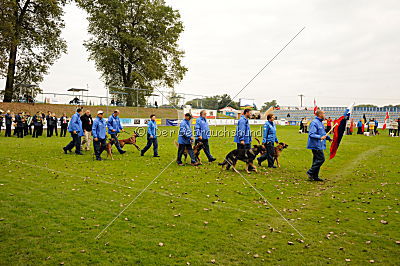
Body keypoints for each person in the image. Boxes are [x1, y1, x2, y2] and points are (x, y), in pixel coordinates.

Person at [306, 110, 332, 182]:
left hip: (320, 144)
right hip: (315, 145)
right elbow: (311, 134)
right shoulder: (314, 123)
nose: (325, 115)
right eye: (324, 113)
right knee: (321, 159)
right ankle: (310, 172)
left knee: (316, 161)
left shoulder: (321, 123)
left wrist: (328, 138)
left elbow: (323, 133)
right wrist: (320, 137)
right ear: (320, 114)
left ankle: (315, 176)